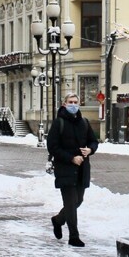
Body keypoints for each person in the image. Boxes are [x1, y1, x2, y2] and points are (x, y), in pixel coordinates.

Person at [47, 93, 98, 247]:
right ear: (64, 104)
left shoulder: (84, 122)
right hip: (65, 169)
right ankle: (74, 237)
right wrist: (71, 158)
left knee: (78, 201)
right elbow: (52, 147)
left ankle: (58, 220)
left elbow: (93, 141)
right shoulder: (58, 123)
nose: (73, 105)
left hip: (82, 169)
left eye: (75, 102)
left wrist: (90, 150)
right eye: (70, 102)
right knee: (70, 204)